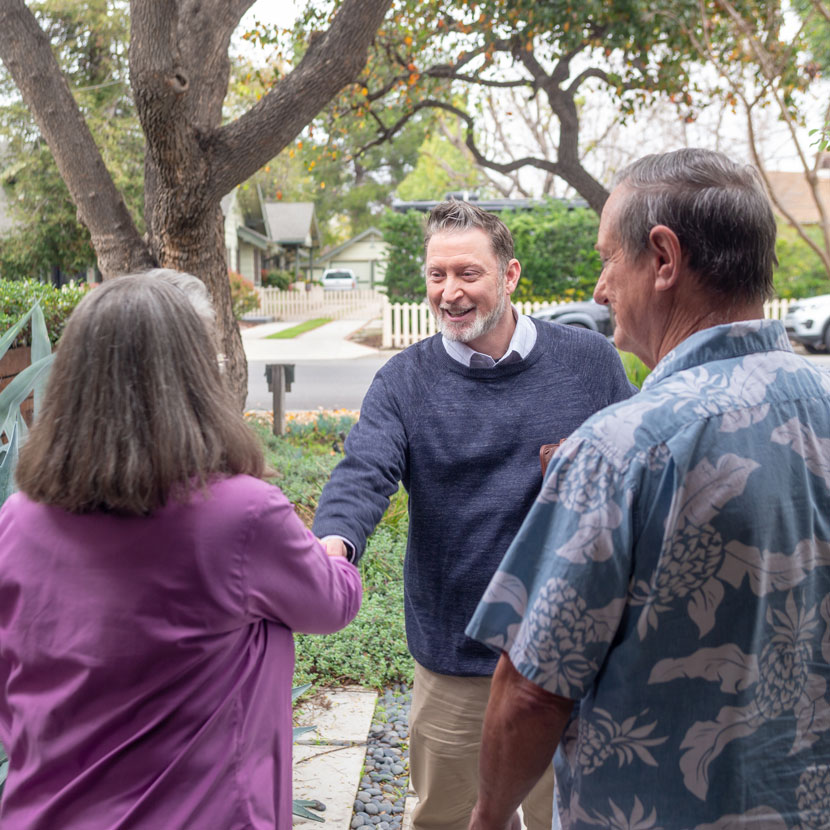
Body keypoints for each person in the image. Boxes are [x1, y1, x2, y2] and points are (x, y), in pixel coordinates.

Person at [466, 148, 830, 830]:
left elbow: (531, 694)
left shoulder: (622, 447)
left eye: (609, 258)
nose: (601, 289)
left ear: (663, 259)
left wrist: (488, 818)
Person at [312, 200, 635, 830]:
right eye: (437, 275)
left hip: (568, 650)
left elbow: (636, 471)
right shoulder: (403, 382)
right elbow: (365, 470)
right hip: (454, 653)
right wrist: (335, 542)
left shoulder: (589, 365)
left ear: (510, 276)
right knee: (445, 819)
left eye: (468, 274)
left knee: (566, 818)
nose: (449, 292)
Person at [0, 271, 361, 830]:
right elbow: (330, 604)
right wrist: (334, 549)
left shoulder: (18, 521)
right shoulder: (240, 516)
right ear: (192, 375)